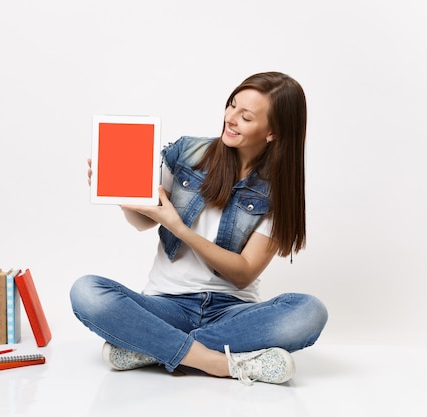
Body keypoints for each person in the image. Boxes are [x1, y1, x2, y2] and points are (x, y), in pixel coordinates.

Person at [70, 71, 328, 385]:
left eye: (245, 117)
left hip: (231, 312)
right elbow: (145, 221)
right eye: (232, 106)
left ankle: (153, 347)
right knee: (87, 292)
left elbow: (243, 272)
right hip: (165, 303)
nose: (230, 119)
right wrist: (126, 199)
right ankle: (218, 363)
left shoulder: (278, 191)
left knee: (309, 312)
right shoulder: (187, 153)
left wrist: (181, 229)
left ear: (272, 132)